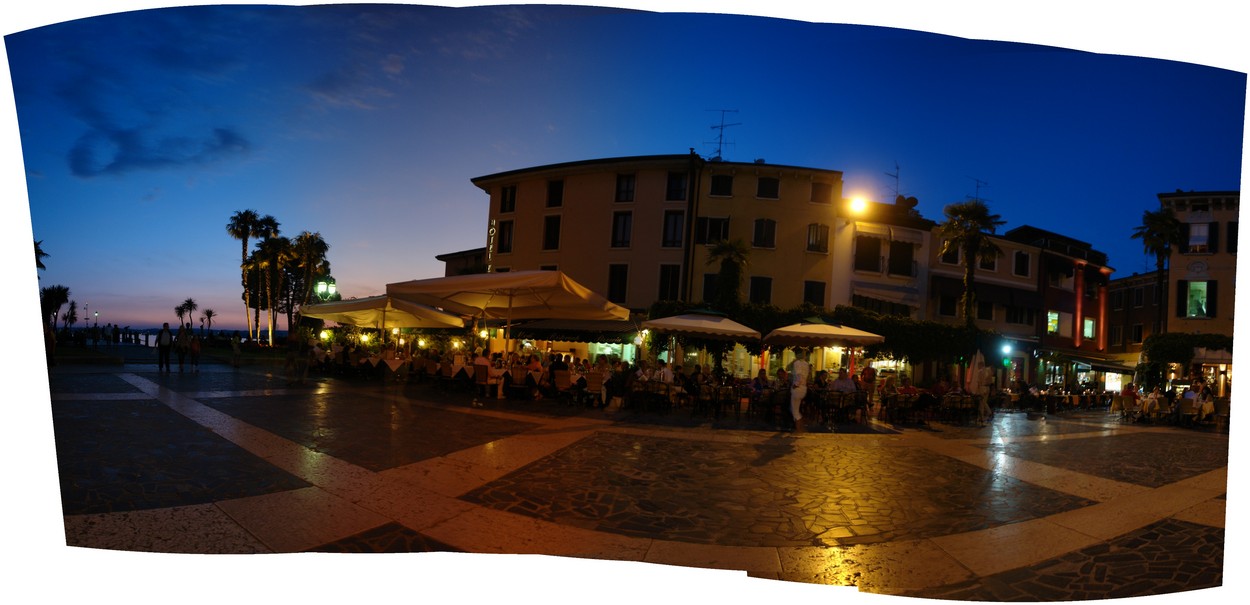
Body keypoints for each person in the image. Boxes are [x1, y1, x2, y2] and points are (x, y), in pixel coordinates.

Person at [788, 350, 811, 432]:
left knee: (794, 411)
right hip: (803, 388)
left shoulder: (797, 363)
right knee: (795, 409)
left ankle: (799, 429)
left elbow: (799, 376)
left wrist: (795, 385)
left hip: (797, 388)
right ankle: (800, 428)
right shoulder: (806, 364)